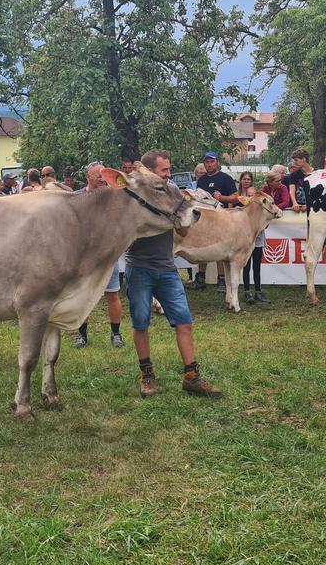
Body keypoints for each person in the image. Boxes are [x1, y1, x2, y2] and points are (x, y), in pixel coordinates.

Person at [126, 149, 221, 399]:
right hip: (139, 268)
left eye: (169, 169)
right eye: (164, 170)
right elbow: (126, 240)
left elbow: (184, 233)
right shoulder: (133, 196)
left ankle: (192, 377)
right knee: (141, 322)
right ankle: (147, 375)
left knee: (184, 321)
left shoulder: (174, 193)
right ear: (149, 171)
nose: (169, 175)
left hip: (167, 269)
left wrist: (181, 222)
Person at [72, 163, 126, 350]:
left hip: (107, 256)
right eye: (98, 177)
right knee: (82, 295)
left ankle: (116, 334)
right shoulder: (77, 197)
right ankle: (82, 336)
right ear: (88, 177)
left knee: (112, 294)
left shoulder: (114, 197)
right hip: (83, 257)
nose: (103, 180)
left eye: (105, 176)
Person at [194, 152, 239, 291]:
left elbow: (236, 197)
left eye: (212, 161)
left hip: (221, 220)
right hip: (203, 220)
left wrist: (222, 198)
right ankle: (201, 277)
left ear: (217, 162)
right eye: (206, 162)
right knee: (202, 247)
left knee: (220, 250)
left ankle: (221, 280)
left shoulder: (226, 178)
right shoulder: (201, 180)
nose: (209, 164)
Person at [241, 185, 269, 304]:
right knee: (246, 267)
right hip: (246, 242)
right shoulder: (243, 210)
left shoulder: (262, 210)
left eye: (253, 195)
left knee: (257, 267)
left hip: (258, 242)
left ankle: (258, 291)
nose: (251, 197)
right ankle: (247, 292)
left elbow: (266, 225)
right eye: (249, 195)